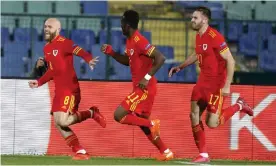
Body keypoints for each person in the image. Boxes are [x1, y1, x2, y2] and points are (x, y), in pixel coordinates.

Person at [168, 7, 253, 163]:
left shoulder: (215, 36)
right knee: (193, 115)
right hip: (202, 82)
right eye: (192, 17)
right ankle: (203, 154)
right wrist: (181, 66)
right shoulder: (198, 36)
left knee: (212, 123)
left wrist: (227, 85)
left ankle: (239, 106)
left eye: (195, 18)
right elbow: (197, 54)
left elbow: (231, 60)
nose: (192, 20)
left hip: (216, 85)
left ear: (204, 20)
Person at [28, 18, 106, 160]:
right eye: (45, 26)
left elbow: (79, 50)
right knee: (58, 123)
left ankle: (91, 113)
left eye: (49, 27)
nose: (46, 29)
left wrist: (89, 59)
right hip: (59, 90)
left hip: (70, 89)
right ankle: (80, 151)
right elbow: (52, 71)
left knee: (63, 121)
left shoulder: (65, 43)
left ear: (57, 30)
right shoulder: (47, 48)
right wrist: (39, 82)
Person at [101, 10, 174, 161]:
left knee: (119, 115)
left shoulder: (139, 40)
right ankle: (166, 151)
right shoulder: (130, 41)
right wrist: (112, 53)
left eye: (122, 24)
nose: (120, 27)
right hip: (141, 88)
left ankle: (153, 123)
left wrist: (147, 77)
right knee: (142, 123)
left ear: (127, 26)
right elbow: (128, 61)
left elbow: (160, 58)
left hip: (145, 88)